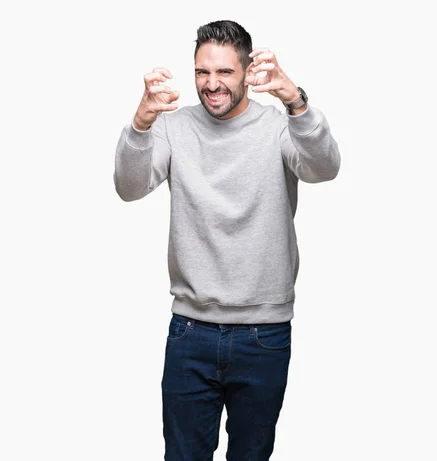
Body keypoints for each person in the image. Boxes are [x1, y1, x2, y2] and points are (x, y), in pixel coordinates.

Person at [113, 19, 341, 461]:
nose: (211, 84)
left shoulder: (278, 126)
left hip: (264, 333)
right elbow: (129, 186)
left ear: (247, 73)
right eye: (202, 72)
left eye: (224, 73)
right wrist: (140, 125)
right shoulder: (172, 127)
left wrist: (295, 100)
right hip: (190, 331)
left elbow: (324, 168)